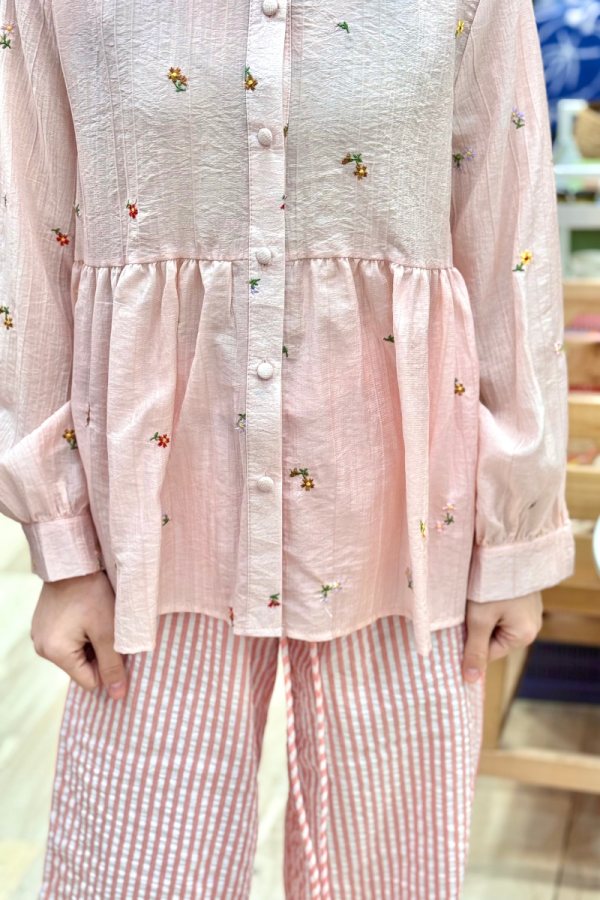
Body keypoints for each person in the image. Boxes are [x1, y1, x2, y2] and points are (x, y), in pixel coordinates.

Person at [0, 0, 573, 897]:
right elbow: (23, 235)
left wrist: (515, 532)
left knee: (391, 869)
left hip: (407, 515)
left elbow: (506, 234)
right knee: (137, 867)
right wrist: (61, 538)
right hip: (149, 522)